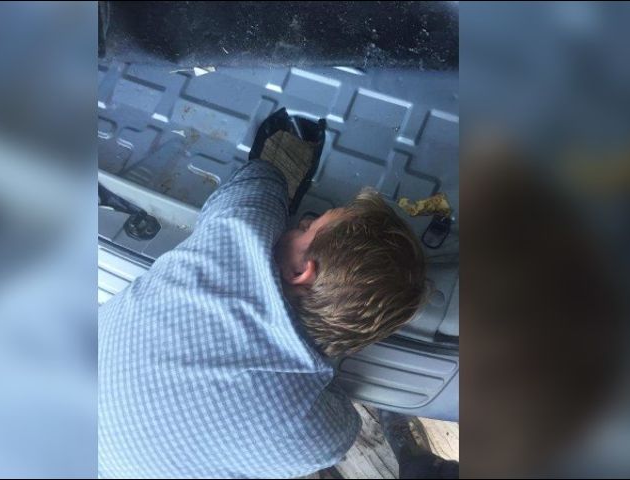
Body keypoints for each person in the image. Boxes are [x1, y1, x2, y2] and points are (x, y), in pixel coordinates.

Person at [98, 110, 426, 478]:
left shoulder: (237, 231)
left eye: (309, 225)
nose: (302, 222)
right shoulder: (314, 433)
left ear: (301, 272)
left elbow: (263, 177)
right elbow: (346, 426)